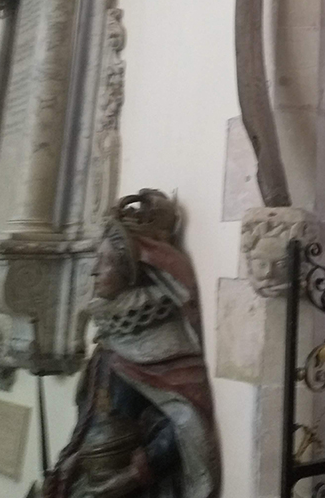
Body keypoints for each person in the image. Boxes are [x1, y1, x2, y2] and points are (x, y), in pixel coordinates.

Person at [44, 191, 220, 498]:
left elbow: (186, 425)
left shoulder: (164, 339)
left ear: (130, 269)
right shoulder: (111, 335)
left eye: (105, 262)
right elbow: (92, 417)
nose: (94, 271)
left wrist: (130, 477)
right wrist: (71, 462)